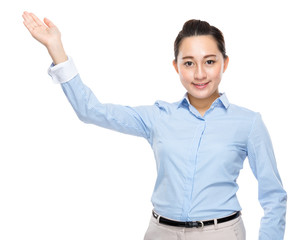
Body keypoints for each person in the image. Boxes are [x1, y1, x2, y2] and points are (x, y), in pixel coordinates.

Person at [22, 11, 287, 240]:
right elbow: (91, 111)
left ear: (224, 63)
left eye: (209, 61)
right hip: (160, 232)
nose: (199, 74)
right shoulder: (159, 117)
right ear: (176, 67)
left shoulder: (249, 123)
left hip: (221, 233)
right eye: (188, 63)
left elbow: (274, 196)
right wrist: (56, 49)